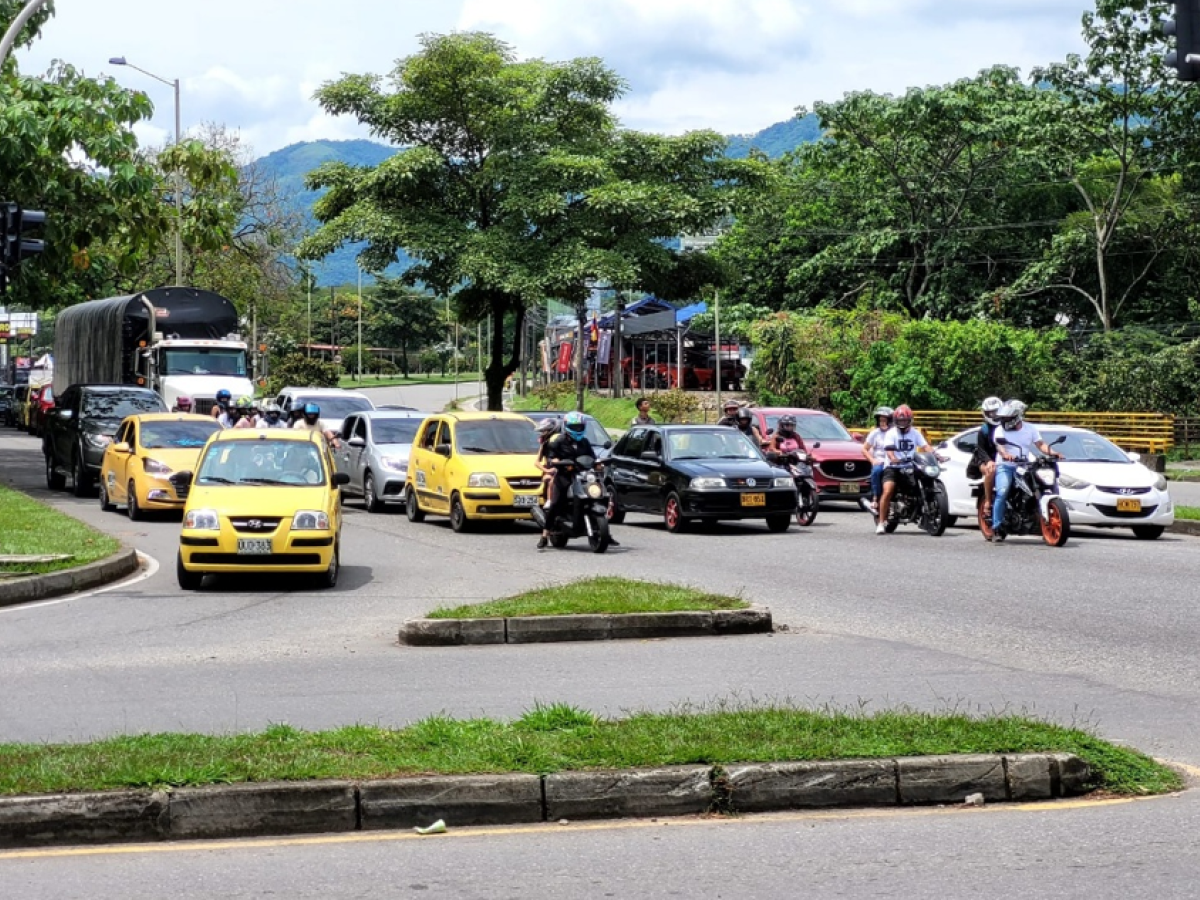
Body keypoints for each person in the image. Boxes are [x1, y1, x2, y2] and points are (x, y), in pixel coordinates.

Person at [990, 399, 1060, 542]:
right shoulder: (999, 430)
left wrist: (1053, 453)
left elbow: (1041, 445)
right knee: (1002, 492)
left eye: (1007, 418)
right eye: (1003, 418)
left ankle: (1040, 519)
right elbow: (1000, 447)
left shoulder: (1030, 429)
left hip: (1025, 465)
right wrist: (1006, 455)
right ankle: (997, 527)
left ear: (1017, 416)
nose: (1004, 420)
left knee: (1041, 485)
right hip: (1006, 466)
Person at [538, 411, 595, 550]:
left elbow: (592, 456)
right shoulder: (558, 441)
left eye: (579, 427)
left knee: (598, 494)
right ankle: (545, 535)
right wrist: (557, 461)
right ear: (567, 426)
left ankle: (605, 533)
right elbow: (551, 457)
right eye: (574, 427)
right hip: (564, 475)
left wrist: (598, 463)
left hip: (582, 475)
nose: (577, 430)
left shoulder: (584, 442)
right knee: (556, 503)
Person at [875, 404, 931, 535]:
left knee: (923, 481)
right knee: (888, 490)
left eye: (905, 420)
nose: (903, 423)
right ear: (895, 420)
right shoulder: (890, 433)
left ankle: (925, 513)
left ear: (910, 420)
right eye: (900, 421)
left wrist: (936, 455)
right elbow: (889, 451)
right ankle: (881, 522)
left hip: (910, 466)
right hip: (893, 467)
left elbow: (926, 446)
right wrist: (893, 458)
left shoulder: (915, 433)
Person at [971, 396, 1003, 519]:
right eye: (991, 412)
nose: (994, 415)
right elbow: (981, 450)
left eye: (997, 411)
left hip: (1003, 459)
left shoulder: (1007, 427)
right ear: (986, 413)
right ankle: (988, 501)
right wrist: (989, 461)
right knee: (991, 470)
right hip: (983, 459)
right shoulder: (984, 430)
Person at [860, 406, 893, 512]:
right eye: (880, 420)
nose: (882, 422)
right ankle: (875, 497)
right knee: (876, 471)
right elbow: (864, 449)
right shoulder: (875, 433)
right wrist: (873, 460)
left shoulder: (895, 432)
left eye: (885, 420)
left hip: (894, 461)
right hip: (880, 461)